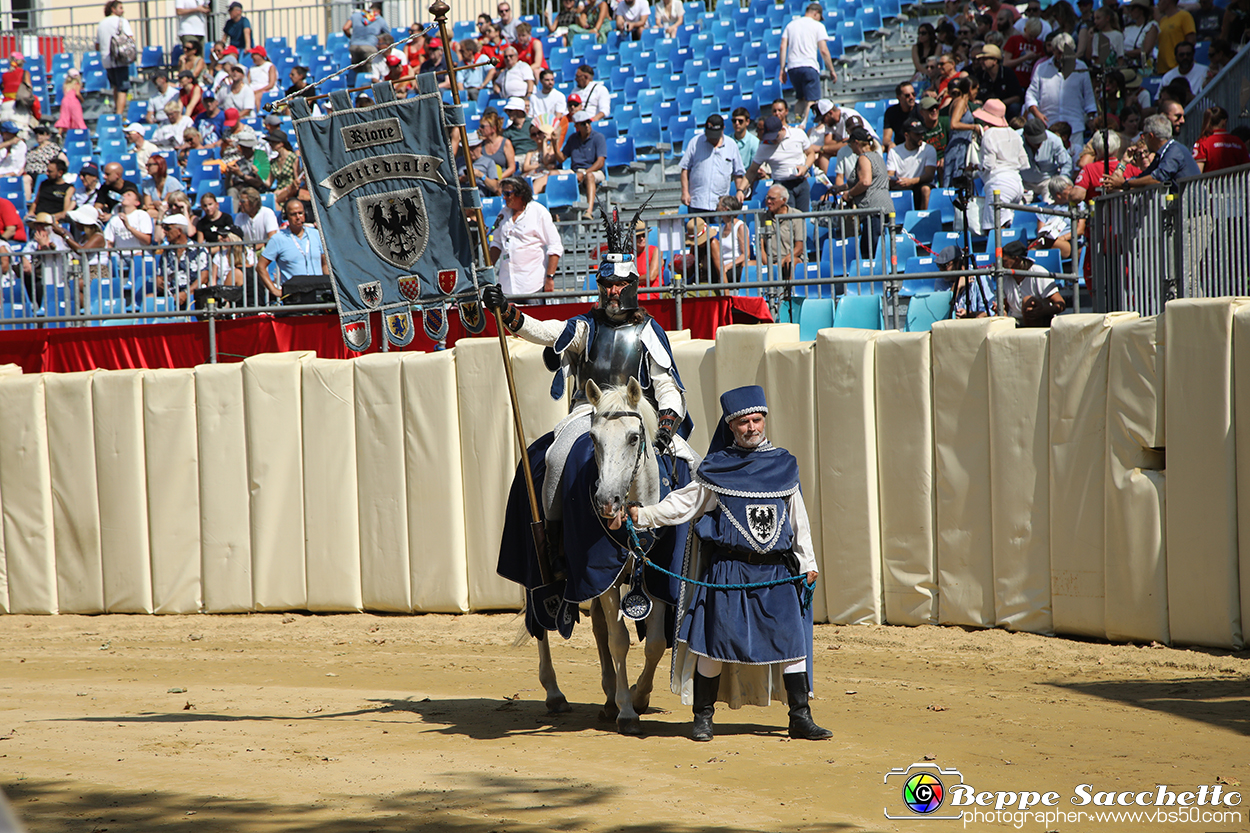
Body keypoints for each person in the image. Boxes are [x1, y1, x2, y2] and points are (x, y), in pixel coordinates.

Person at [622, 385, 828, 742]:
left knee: (792, 644)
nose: (752, 427)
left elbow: (798, 519)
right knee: (715, 645)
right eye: (743, 422)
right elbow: (682, 505)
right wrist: (643, 515)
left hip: (776, 573)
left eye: (757, 420)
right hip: (729, 573)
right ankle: (703, 717)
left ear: (765, 420)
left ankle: (800, 716)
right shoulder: (718, 469)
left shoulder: (783, 464)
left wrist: (807, 561)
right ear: (731, 426)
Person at [487, 176, 563, 298]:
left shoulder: (539, 212)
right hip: (507, 284)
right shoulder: (503, 213)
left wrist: (550, 277)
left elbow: (555, 246)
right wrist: (487, 270)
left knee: (533, 317)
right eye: (503, 194)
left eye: (507, 194)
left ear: (520, 194)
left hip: (532, 284)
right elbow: (496, 243)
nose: (504, 198)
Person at [778, 2, 838, 125]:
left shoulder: (791, 25)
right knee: (812, 98)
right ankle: (804, 124)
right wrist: (831, 69)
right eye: (819, 17)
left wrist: (782, 69)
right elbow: (823, 50)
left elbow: (783, 46)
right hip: (809, 65)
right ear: (816, 13)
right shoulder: (817, 26)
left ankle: (797, 119)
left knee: (800, 97)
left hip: (793, 67)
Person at [1103, 113, 1199, 189]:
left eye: (1144, 135)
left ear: (1150, 136)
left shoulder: (1174, 151)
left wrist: (1125, 184)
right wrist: (1123, 164)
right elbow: (1144, 176)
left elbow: (1158, 178)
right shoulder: (1163, 153)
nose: (1143, 138)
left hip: (1193, 210)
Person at [973, 99, 1028, 230]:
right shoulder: (1014, 134)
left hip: (999, 186)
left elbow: (989, 165)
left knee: (996, 230)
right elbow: (1024, 163)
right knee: (1008, 228)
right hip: (1017, 184)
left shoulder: (989, 134)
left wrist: (975, 167)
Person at [255, 199, 326, 300]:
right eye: (293, 214)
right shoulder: (278, 239)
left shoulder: (316, 234)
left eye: (300, 213)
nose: (298, 217)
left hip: (318, 293)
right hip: (294, 296)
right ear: (286, 216)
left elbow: (325, 263)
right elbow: (260, 267)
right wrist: (275, 290)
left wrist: (327, 284)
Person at [680, 115, 748, 214]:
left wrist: (740, 191)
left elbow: (738, 173)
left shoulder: (731, 145)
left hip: (720, 204)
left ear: (723, 130)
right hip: (697, 202)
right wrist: (685, 192)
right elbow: (685, 169)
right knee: (698, 229)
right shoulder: (695, 142)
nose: (712, 138)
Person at [747, 115, 816, 213]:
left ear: (782, 129)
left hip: (801, 182)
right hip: (782, 185)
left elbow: (811, 153)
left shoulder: (798, 134)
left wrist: (805, 167)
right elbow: (751, 171)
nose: (773, 140)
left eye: (775, 136)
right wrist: (741, 190)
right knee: (787, 218)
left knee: (803, 218)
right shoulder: (764, 146)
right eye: (770, 137)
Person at [843, 127, 894, 257]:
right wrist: (841, 188)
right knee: (879, 248)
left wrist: (849, 195)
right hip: (886, 206)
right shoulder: (877, 156)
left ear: (856, 143)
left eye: (850, 144)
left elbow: (865, 182)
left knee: (871, 251)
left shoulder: (863, 158)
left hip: (873, 209)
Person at [1000, 239, 1064, 325]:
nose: (1001, 265)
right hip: (1015, 322)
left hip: (1041, 321)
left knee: (1028, 301)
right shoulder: (1004, 277)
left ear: (1017, 260)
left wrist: (1041, 311)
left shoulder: (1038, 272)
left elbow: (1061, 304)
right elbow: (1005, 307)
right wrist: (1000, 310)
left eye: (1004, 261)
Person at [556, 111, 606, 218]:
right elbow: (561, 159)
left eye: (588, 122)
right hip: (576, 171)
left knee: (589, 176)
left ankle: (589, 212)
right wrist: (555, 142)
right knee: (553, 174)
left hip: (594, 172)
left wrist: (584, 173)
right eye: (583, 123)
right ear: (576, 126)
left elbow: (600, 162)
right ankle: (552, 211)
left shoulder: (598, 137)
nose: (587, 125)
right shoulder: (573, 138)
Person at [154, 213, 210, 306]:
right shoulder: (167, 252)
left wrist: (186, 293)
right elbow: (161, 275)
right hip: (171, 296)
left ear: (179, 231)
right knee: (149, 299)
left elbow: (204, 277)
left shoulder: (198, 250)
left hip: (193, 295)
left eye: (167, 228)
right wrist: (159, 281)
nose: (164, 232)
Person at [21, 213, 71, 309]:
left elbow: (57, 252)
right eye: (37, 225)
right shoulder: (34, 242)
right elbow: (25, 253)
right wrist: (25, 260)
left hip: (58, 275)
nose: (39, 228)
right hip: (41, 277)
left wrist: (44, 246)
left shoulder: (58, 239)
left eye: (43, 225)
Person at [887, 118, 938, 210]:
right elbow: (890, 174)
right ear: (907, 135)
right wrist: (893, 181)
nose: (921, 137)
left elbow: (929, 176)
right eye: (917, 134)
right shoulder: (894, 152)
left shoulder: (929, 149)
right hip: (900, 186)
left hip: (919, 186)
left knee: (925, 189)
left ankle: (924, 218)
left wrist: (910, 181)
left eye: (922, 133)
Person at [759, 184, 805, 279]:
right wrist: (768, 264)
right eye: (767, 198)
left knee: (790, 262)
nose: (768, 202)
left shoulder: (797, 215)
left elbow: (799, 247)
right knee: (748, 265)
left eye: (772, 199)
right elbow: (760, 247)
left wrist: (781, 262)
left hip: (791, 257)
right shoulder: (762, 217)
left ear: (783, 200)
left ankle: (789, 292)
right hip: (770, 260)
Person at [935, 245, 995, 317]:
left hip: (975, 325)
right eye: (939, 265)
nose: (941, 270)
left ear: (958, 263)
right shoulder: (940, 281)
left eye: (945, 265)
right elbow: (941, 313)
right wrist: (956, 287)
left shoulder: (981, 278)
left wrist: (969, 314)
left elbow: (988, 312)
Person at [97, 0, 134, 116]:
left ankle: (117, 110)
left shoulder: (101, 24)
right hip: (119, 59)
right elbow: (131, 39)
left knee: (115, 86)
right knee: (122, 88)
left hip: (106, 60)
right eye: (120, 8)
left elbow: (97, 45)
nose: (123, 11)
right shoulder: (121, 21)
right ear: (113, 9)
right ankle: (119, 114)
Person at [941, 76, 979, 187]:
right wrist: (973, 127)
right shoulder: (960, 102)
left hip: (963, 147)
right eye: (976, 89)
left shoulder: (964, 102)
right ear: (970, 89)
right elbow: (954, 124)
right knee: (955, 183)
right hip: (957, 149)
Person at [1019, 117, 1072, 193]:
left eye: (1041, 140)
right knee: (1016, 204)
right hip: (1024, 182)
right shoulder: (1015, 138)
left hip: (1048, 182)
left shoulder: (1054, 139)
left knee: (1053, 201)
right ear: (1025, 135)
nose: (1039, 144)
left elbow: (1066, 163)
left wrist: (1061, 181)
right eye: (1035, 141)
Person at [969, 44, 1023, 118]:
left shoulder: (1007, 73)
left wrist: (998, 105)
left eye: (984, 59)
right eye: (980, 59)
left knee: (1014, 107)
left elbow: (1016, 97)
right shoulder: (980, 75)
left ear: (994, 60)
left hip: (1005, 107)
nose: (981, 62)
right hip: (985, 108)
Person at [1192, 106, 1250, 173]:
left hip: (1211, 182)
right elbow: (1246, 170)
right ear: (1224, 122)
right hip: (1234, 182)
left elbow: (1197, 172)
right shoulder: (1238, 142)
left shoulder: (1203, 142)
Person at [344, 1, 387, 87]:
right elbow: (387, 35)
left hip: (354, 46)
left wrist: (352, 37)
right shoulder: (380, 19)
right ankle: (367, 90)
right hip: (369, 48)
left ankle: (357, 88)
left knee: (357, 70)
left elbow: (345, 28)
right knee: (369, 72)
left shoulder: (356, 15)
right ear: (379, 11)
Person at [674, 216, 721, 289]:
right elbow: (689, 274)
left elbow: (721, 271)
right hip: (695, 286)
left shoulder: (713, 243)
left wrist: (726, 296)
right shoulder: (694, 247)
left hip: (710, 287)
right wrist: (675, 268)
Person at [1154, 0, 1195, 76]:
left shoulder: (1184, 16)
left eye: (1159, 0)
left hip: (1178, 68)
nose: (1158, 3)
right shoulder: (1162, 21)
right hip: (1163, 70)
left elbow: (1191, 41)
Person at [479, 109, 517, 181]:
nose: (480, 129)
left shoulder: (506, 143)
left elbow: (512, 168)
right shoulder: (481, 145)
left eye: (483, 126)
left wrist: (498, 178)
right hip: (486, 181)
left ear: (493, 128)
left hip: (504, 180)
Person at [32, 158, 74, 223]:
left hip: (55, 221)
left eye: (50, 171)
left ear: (60, 173)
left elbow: (65, 212)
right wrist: (31, 212)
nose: (47, 173)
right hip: (38, 219)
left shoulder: (69, 189)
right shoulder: (44, 184)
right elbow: (35, 202)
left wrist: (49, 218)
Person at [1123, 0, 1159, 70]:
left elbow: (1145, 50)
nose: (1130, 12)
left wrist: (1126, 52)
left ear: (1141, 10)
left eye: (1132, 9)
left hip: (1143, 67)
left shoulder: (1151, 26)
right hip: (1127, 66)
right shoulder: (1128, 28)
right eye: (1129, 9)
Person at [882, 82, 918, 151]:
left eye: (913, 94)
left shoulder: (920, 111)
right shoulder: (891, 112)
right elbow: (886, 138)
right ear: (899, 98)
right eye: (907, 95)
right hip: (900, 147)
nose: (911, 97)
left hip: (917, 145)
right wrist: (890, 144)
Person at [55, 73, 87, 138]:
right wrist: (82, 100)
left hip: (65, 101)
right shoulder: (76, 84)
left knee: (64, 117)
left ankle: (59, 133)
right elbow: (77, 93)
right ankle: (82, 134)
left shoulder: (66, 85)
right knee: (77, 117)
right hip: (73, 101)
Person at [632, 218, 662, 287]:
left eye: (644, 235)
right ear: (631, 238)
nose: (641, 238)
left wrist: (632, 281)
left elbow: (651, 277)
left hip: (651, 295)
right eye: (637, 236)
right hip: (634, 294)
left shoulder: (655, 251)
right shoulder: (629, 254)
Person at [246, 46, 277, 111]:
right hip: (253, 91)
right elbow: (247, 83)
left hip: (266, 90)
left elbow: (271, 84)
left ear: (259, 55)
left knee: (256, 97)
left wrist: (257, 91)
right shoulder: (251, 68)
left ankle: (259, 115)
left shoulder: (269, 66)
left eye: (253, 54)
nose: (251, 57)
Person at [729, 107, 758, 172]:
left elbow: (754, 168)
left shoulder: (754, 142)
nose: (737, 123)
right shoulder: (727, 141)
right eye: (734, 121)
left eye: (740, 121)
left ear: (747, 122)